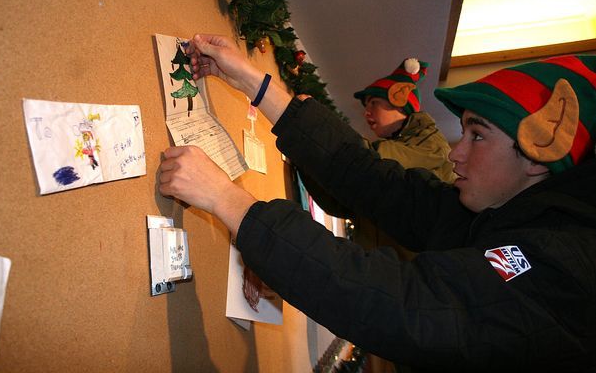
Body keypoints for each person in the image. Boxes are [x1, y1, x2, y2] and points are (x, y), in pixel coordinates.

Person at [158, 34, 596, 370]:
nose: (457, 152)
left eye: (477, 136)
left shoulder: (565, 263)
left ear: (540, 152)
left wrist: (225, 198)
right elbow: (377, 182)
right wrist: (254, 82)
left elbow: (404, 303)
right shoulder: (502, 208)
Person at [299, 58, 454, 258]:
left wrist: (312, 123)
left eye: (374, 102)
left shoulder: (432, 145)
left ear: (399, 100)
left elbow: (368, 160)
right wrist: (304, 156)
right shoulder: (399, 147)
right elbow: (339, 203)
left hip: (395, 274)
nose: (366, 112)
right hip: (375, 265)